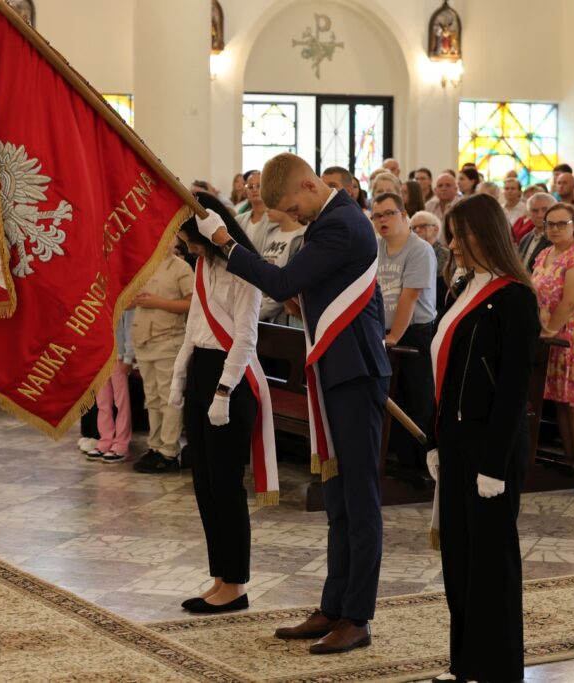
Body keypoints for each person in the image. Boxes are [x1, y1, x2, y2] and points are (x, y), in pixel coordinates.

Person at [199, 153, 391, 654]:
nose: (293, 217)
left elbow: (283, 281)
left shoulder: (341, 224)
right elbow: (304, 289)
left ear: (309, 185)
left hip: (355, 372)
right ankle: (333, 606)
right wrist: (300, 297)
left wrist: (225, 242)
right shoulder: (327, 222)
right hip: (335, 367)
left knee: (361, 498)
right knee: (337, 493)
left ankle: (358, 616)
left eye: (292, 207)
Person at [429, 193, 539, 683]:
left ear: (482, 235)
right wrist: (436, 439)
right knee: (459, 557)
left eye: (459, 235)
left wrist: (493, 463)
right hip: (455, 438)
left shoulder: (514, 297)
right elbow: (446, 371)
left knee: (491, 563)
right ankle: (465, 666)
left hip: (491, 444)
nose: (451, 245)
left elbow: (513, 389)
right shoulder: (464, 288)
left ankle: (496, 671)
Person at [170, 193, 276, 614]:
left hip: (231, 379)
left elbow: (247, 338)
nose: (185, 247)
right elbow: (194, 328)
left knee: (226, 487)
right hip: (201, 371)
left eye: (189, 240)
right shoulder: (203, 266)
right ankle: (219, 577)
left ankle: (236, 585)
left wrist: (223, 391)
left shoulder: (242, 272)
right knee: (204, 486)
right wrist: (180, 379)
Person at [372, 192, 436, 471]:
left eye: (388, 213)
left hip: (414, 333)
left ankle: (422, 463)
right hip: (384, 332)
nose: (382, 220)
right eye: (377, 216)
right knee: (392, 397)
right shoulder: (375, 248)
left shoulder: (419, 249)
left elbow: (409, 297)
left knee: (416, 399)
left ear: (403, 214)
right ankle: (399, 459)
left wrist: (394, 337)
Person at [533, 202, 574, 482]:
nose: (555, 229)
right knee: (560, 400)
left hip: (572, 335)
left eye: (562, 223)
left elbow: (570, 301)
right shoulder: (544, 254)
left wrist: (549, 330)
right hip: (547, 332)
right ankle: (569, 459)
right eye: (550, 224)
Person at [131, 248, 194, 473]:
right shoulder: (142, 265)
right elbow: (128, 302)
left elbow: (192, 303)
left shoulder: (180, 267)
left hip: (168, 339)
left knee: (169, 397)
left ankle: (169, 450)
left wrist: (157, 302)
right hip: (144, 339)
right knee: (152, 397)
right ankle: (155, 446)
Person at [89, 310, 135, 463]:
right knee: (102, 402)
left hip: (118, 357)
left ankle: (122, 443)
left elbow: (129, 324)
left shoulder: (120, 294)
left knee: (121, 402)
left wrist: (128, 356)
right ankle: (105, 439)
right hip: (98, 355)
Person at [256, 208, 307, 325]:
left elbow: (288, 284)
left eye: (271, 204)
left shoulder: (302, 236)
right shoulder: (270, 233)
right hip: (263, 310)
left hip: (284, 317)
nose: (266, 209)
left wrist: (259, 314)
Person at [410, 210, 450, 305]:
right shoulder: (411, 256)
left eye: (422, 226)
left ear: (435, 229)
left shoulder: (446, 256)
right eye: (413, 228)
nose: (417, 230)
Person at [518, 192, 556, 272]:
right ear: (529, 213)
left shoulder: (557, 238)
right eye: (535, 211)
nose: (540, 215)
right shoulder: (525, 238)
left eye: (545, 210)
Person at [234, 171, 273, 248]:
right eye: (251, 187)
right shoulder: (239, 220)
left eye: (259, 186)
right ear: (246, 191)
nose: (254, 190)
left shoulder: (274, 219)